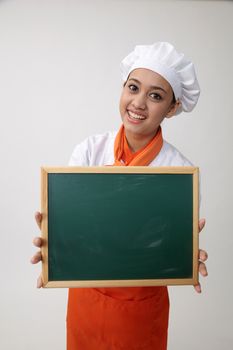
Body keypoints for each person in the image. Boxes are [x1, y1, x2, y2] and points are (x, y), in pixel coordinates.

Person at [31, 42, 208, 350]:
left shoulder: (179, 171)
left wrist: (184, 254)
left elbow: (168, 246)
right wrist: (54, 247)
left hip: (142, 307)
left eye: (155, 95)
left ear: (172, 108)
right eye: (133, 87)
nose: (139, 102)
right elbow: (74, 228)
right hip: (87, 299)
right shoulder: (89, 151)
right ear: (123, 89)